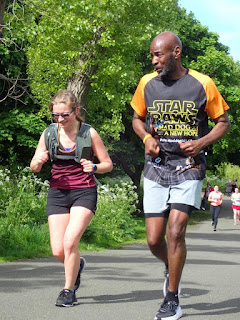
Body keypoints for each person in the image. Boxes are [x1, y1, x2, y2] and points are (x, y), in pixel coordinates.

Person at [131, 31, 230, 320]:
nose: (153, 61)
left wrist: (201, 142)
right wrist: (146, 137)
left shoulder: (202, 84)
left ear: (176, 52)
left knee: (175, 232)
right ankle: (171, 267)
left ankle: (172, 299)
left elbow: (222, 122)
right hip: (156, 166)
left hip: (189, 166)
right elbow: (137, 118)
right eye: (151, 55)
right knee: (153, 240)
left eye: (158, 55)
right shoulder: (147, 84)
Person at [30, 90, 113, 307]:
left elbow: (108, 164)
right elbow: (34, 166)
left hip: (84, 191)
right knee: (58, 250)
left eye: (64, 115)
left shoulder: (89, 133)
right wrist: (38, 162)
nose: (60, 119)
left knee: (70, 242)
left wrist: (94, 166)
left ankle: (68, 290)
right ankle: (77, 266)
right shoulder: (49, 133)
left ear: (75, 111)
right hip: (57, 193)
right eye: (55, 115)